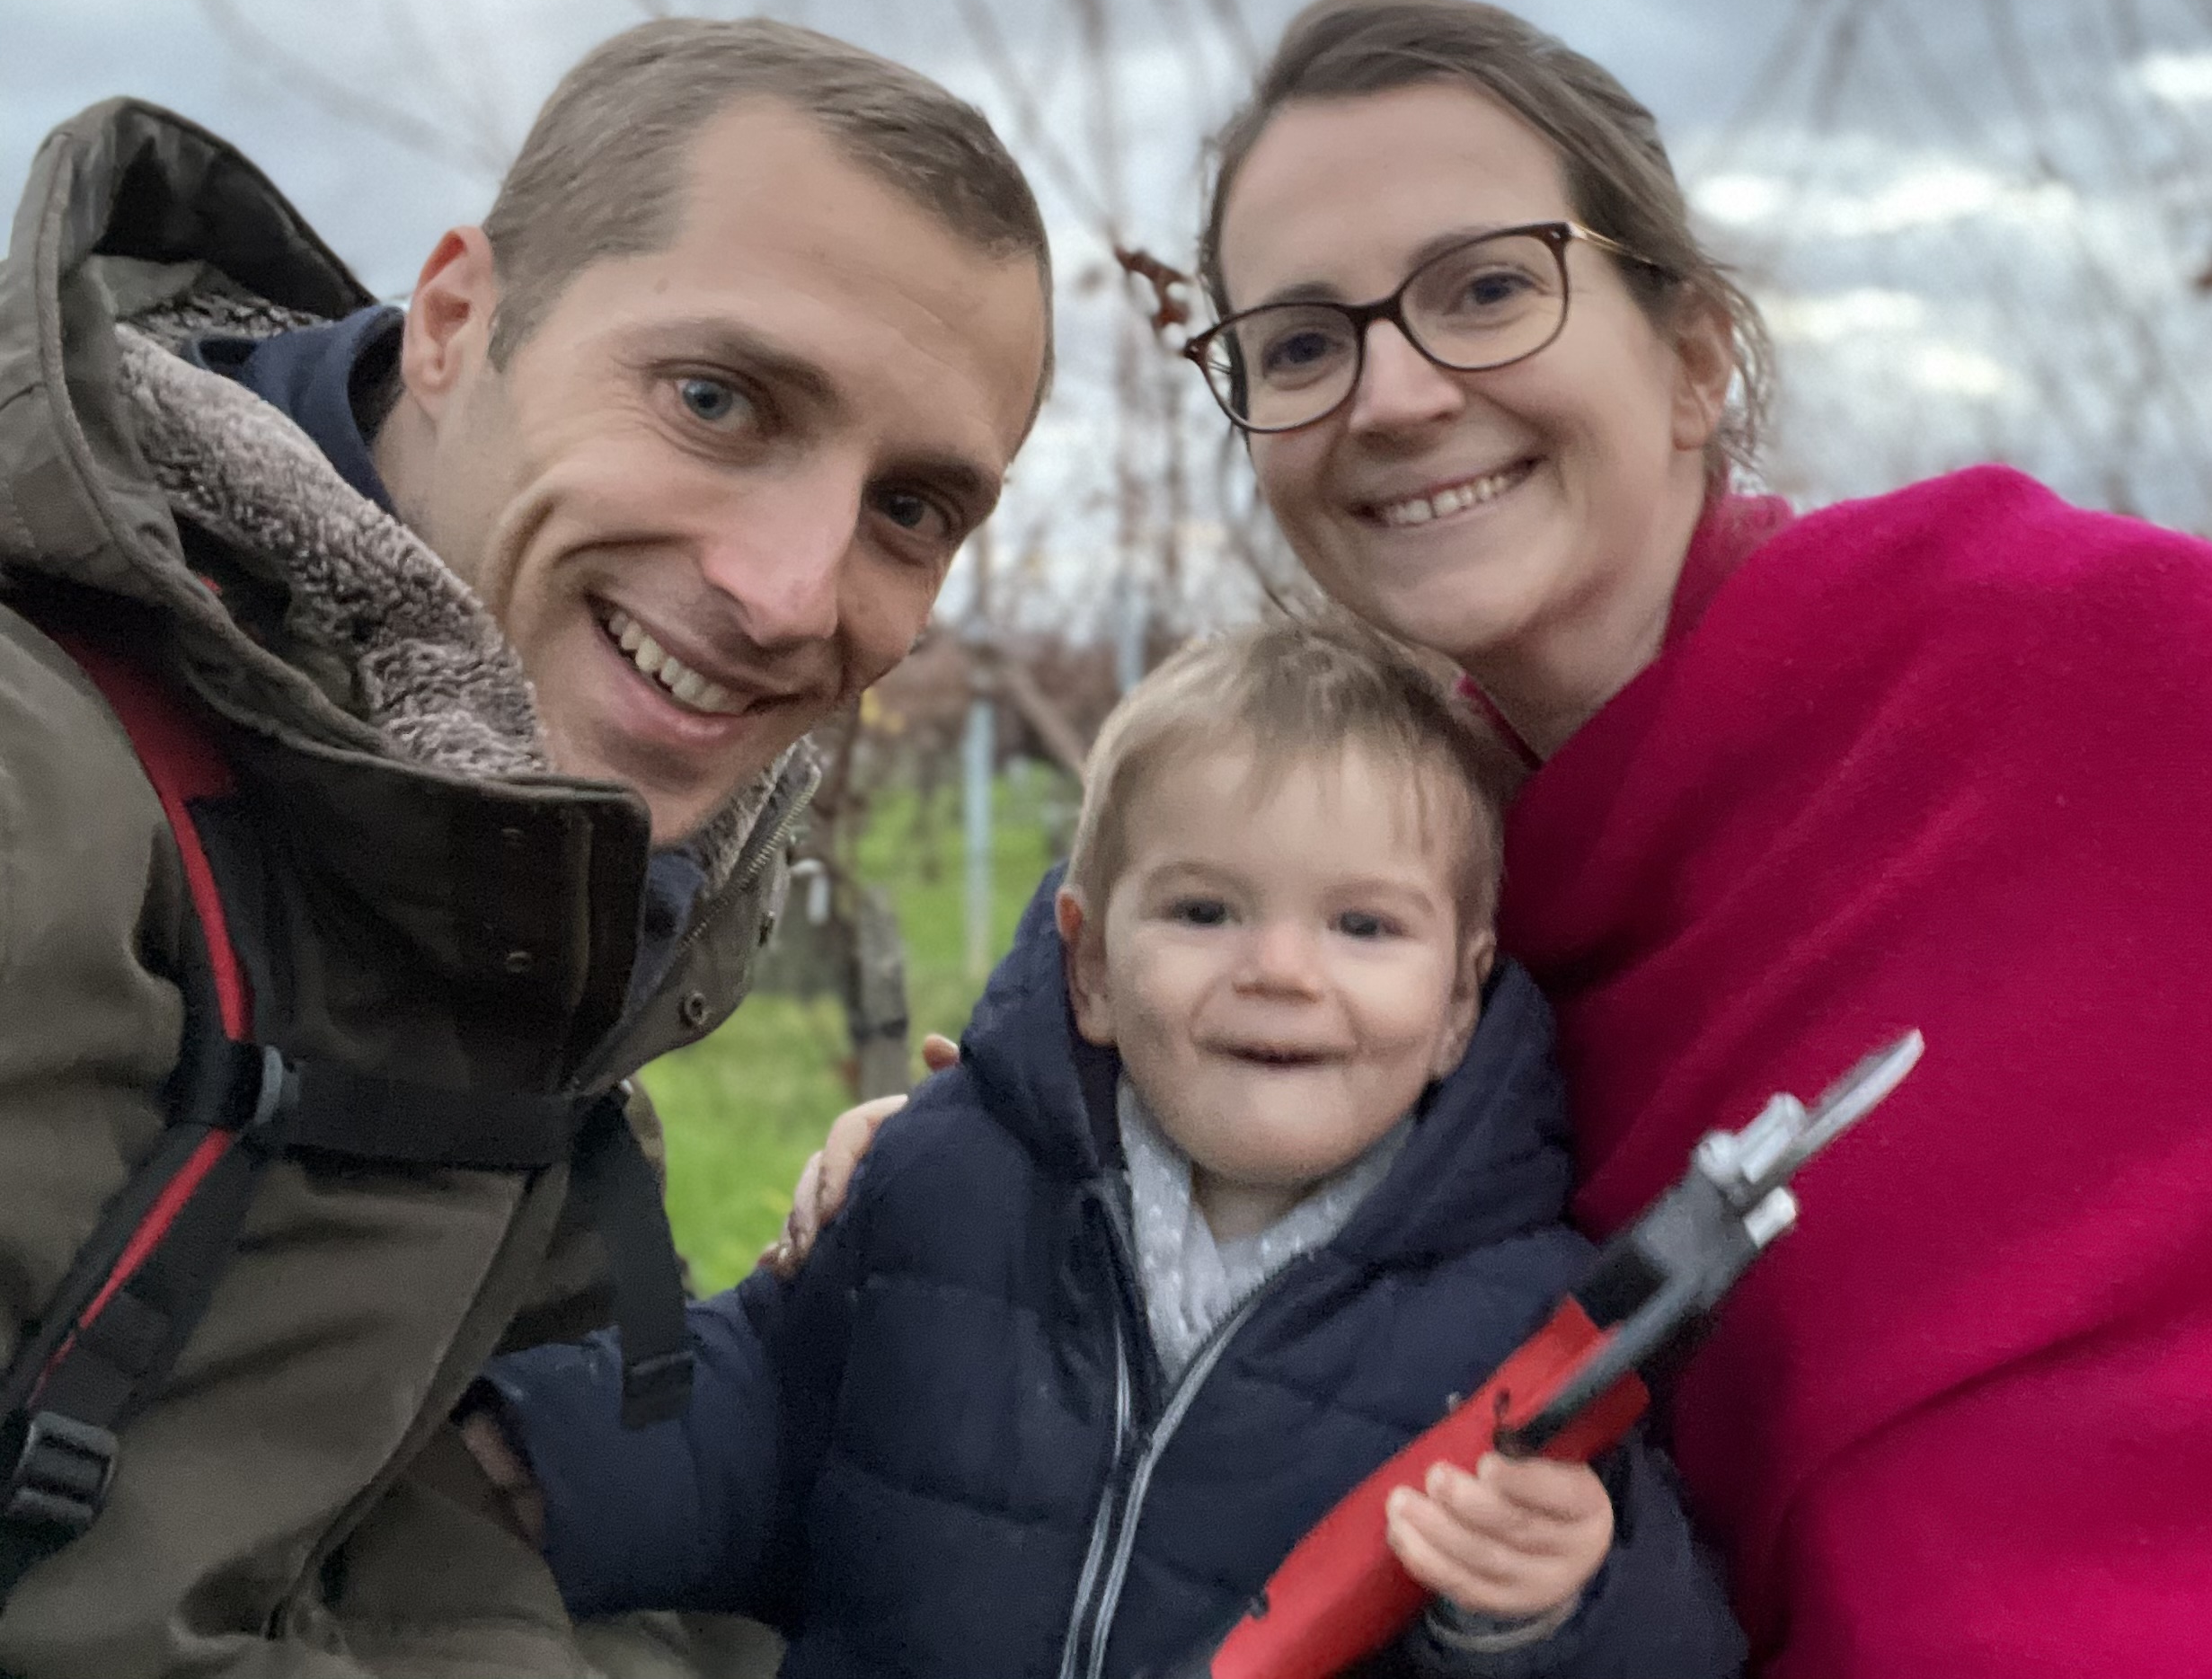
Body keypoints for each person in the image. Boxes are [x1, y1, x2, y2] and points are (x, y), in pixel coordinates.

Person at [802, 0, 2212, 1676]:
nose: (1391, 395)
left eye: (1486, 290)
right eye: (1299, 345)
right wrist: (991, 1153)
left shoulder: (2108, 664)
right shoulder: (1443, 899)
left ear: (1690, 359)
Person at [0, 17, 1053, 1679]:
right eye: (715, 399)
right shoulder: (43, 789)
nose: (792, 591)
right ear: (452, 320)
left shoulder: (534, 885)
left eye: (910, 510)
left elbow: (456, 1524)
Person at [466, 620, 1747, 1679]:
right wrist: (534, 1456)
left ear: (1461, 1000)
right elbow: (752, 1424)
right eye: (1205, 909)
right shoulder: (946, 1185)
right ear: (1085, 964)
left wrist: (1554, 1609)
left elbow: (1676, 1656)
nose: (1281, 972)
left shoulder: (1518, 1334)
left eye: (1363, 926)